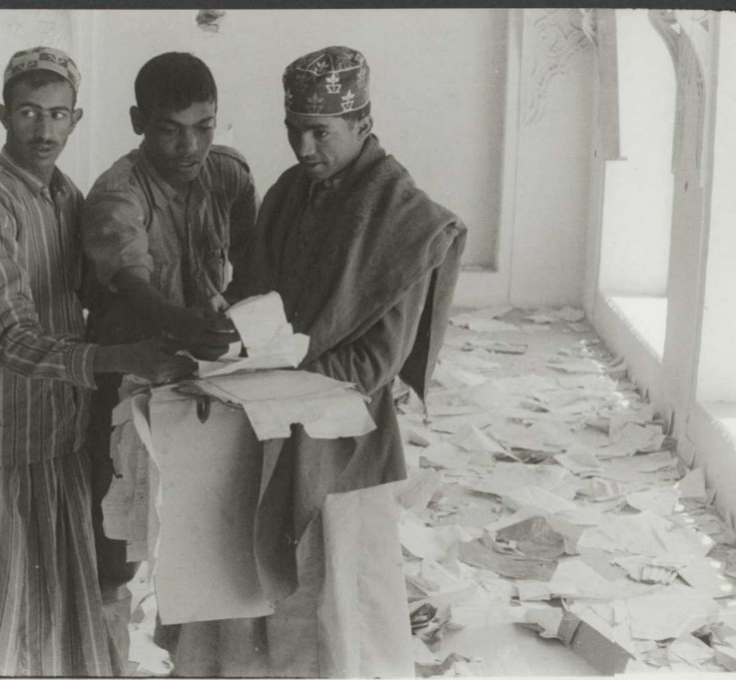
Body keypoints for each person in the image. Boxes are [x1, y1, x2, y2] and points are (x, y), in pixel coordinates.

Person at [167, 46, 468, 677]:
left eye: (320, 132)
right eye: (293, 129)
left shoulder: (405, 218)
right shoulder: (289, 191)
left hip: (340, 439)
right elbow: (254, 292)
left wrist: (264, 370)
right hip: (264, 419)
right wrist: (231, 331)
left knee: (333, 602)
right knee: (251, 589)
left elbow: (374, 363)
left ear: (362, 122)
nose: (303, 147)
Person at [0, 46, 195, 676]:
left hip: (58, 438)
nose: (44, 130)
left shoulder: (66, 196)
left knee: (51, 630)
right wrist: (124, 355)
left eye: (58, 114)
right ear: (3, 115)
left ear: (76, 118)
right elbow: (13, 338)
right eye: (28, 113)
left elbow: (92, 293)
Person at [81, 51, 256, 665]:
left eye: (204, 127)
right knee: (117, 544)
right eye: (170, 130)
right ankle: (104, 662)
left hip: (204, 379)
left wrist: (239, 312)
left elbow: (253, 260)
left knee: (204, 537)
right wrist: (187, 324)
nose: (190, 147)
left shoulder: (228, 173)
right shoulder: (117, 194)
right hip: (128, 381)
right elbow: (134, 284)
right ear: (138, 122)